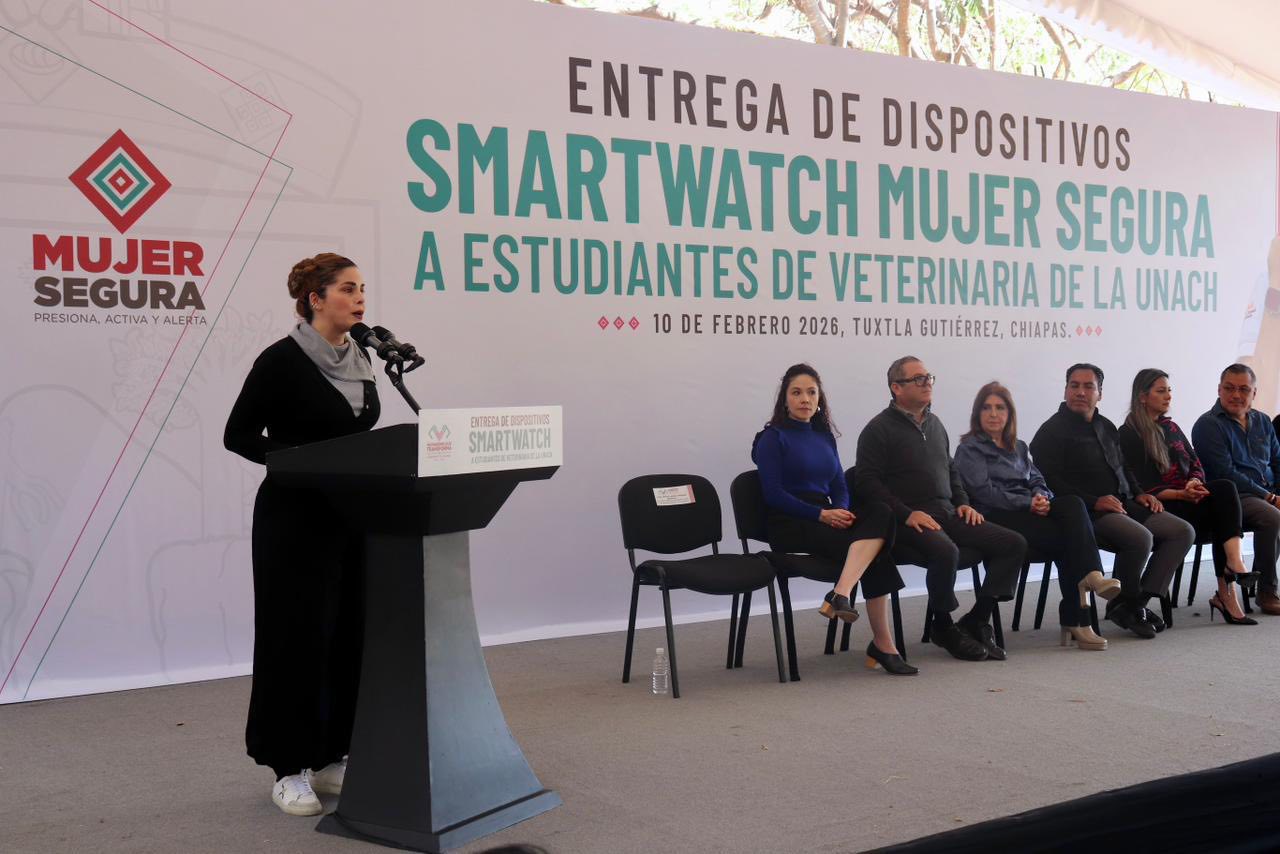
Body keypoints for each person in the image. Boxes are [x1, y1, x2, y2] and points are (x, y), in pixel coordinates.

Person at [224, 253, 379, 816]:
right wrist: (301, 461)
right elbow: (237, 434)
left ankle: (334, 752)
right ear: (315, 298)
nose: (359, 297)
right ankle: (288, 766)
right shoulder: (282, 361)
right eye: (347, 288)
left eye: (362, 288)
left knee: (347, 634)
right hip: (294, 520)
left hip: (352, 516)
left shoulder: (363, 358)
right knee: (297, 638)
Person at [854, 356, 1026, 662]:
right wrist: (907, 513)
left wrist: (963, 503)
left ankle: (977, 619)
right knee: (946, 552)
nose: (927, 383)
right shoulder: (877, 430)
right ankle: (943, 626)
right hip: (907, 521)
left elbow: (951, 470)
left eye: (929, 377)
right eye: (918, 379)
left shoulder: (935, 423)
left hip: (948, 513)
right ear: (896, 387)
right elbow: (867, 484)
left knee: (1013, 543)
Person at [752, 364, 914, 675]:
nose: (805, 399)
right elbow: (772, 494)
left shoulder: (824, 435)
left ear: (819, 399)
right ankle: (882, 643)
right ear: (784, 399)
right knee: (878, 552)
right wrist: (821, 514)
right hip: (790, 521)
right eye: (796, 392)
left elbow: (839, 484)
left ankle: (841, 593)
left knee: (881, 512)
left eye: (811, 392)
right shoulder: (772, 438)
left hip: (827, 515)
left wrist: (841, 511)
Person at [1030, 364, 1194, 639]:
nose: (1080, 392)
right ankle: (1129, 605)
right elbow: (1049, 483)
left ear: (1100, 393)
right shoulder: (1050, 432)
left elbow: (1123, 467)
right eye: (1074, 385)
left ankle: (1132, 603)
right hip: (1086, 513)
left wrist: (1140, 492)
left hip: (1124, 502)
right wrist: (1096, 502)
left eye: (1088, 386)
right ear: (1066, 389)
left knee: (1182, 532)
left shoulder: (1106, 426)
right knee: (1140, 538)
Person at [953, 382, 1121, 650]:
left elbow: (1036, 476)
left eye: (1000, 408)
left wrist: (1042, 497)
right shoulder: (970, 449)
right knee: (1070, 541)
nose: (993, 414)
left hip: (1030, 511)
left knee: (1073, 505)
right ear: (977, 414)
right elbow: (984, 493)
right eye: (986, 408)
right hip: (996, 516)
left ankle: (1092, 577)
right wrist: (1027, 503)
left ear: (1009, 414)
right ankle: (1079, 618)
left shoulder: (1018, 446)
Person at [1119, 369, 1258, 625]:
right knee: (1222, 514)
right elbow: (1141, 484)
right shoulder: (1129, 433)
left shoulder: (1171, 426)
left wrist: (1194, 482)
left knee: (1224, 491)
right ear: (1142, 397)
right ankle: (1229, 585)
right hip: (1163, 503)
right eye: (1161, 391)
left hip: (1187, 496)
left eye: (1169, 390)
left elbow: (1195, 463)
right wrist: (1181, 493)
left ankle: (1233, 568)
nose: (1168, 396)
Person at [1192, 363, 1280, 616]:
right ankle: (1267, 591)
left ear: (1254, 393)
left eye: (1244, 389)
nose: (1236, 395)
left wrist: (1277, 493)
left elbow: (1277, 461)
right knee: (1271, 516)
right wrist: (1271, 498)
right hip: (1231, 497)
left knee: (1273, 511)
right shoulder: (1208, 425)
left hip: (1265, 492)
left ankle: (1262, 580)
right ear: (1219, 390)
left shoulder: (1263, 421)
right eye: (1229, 388)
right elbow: (1225, 473)